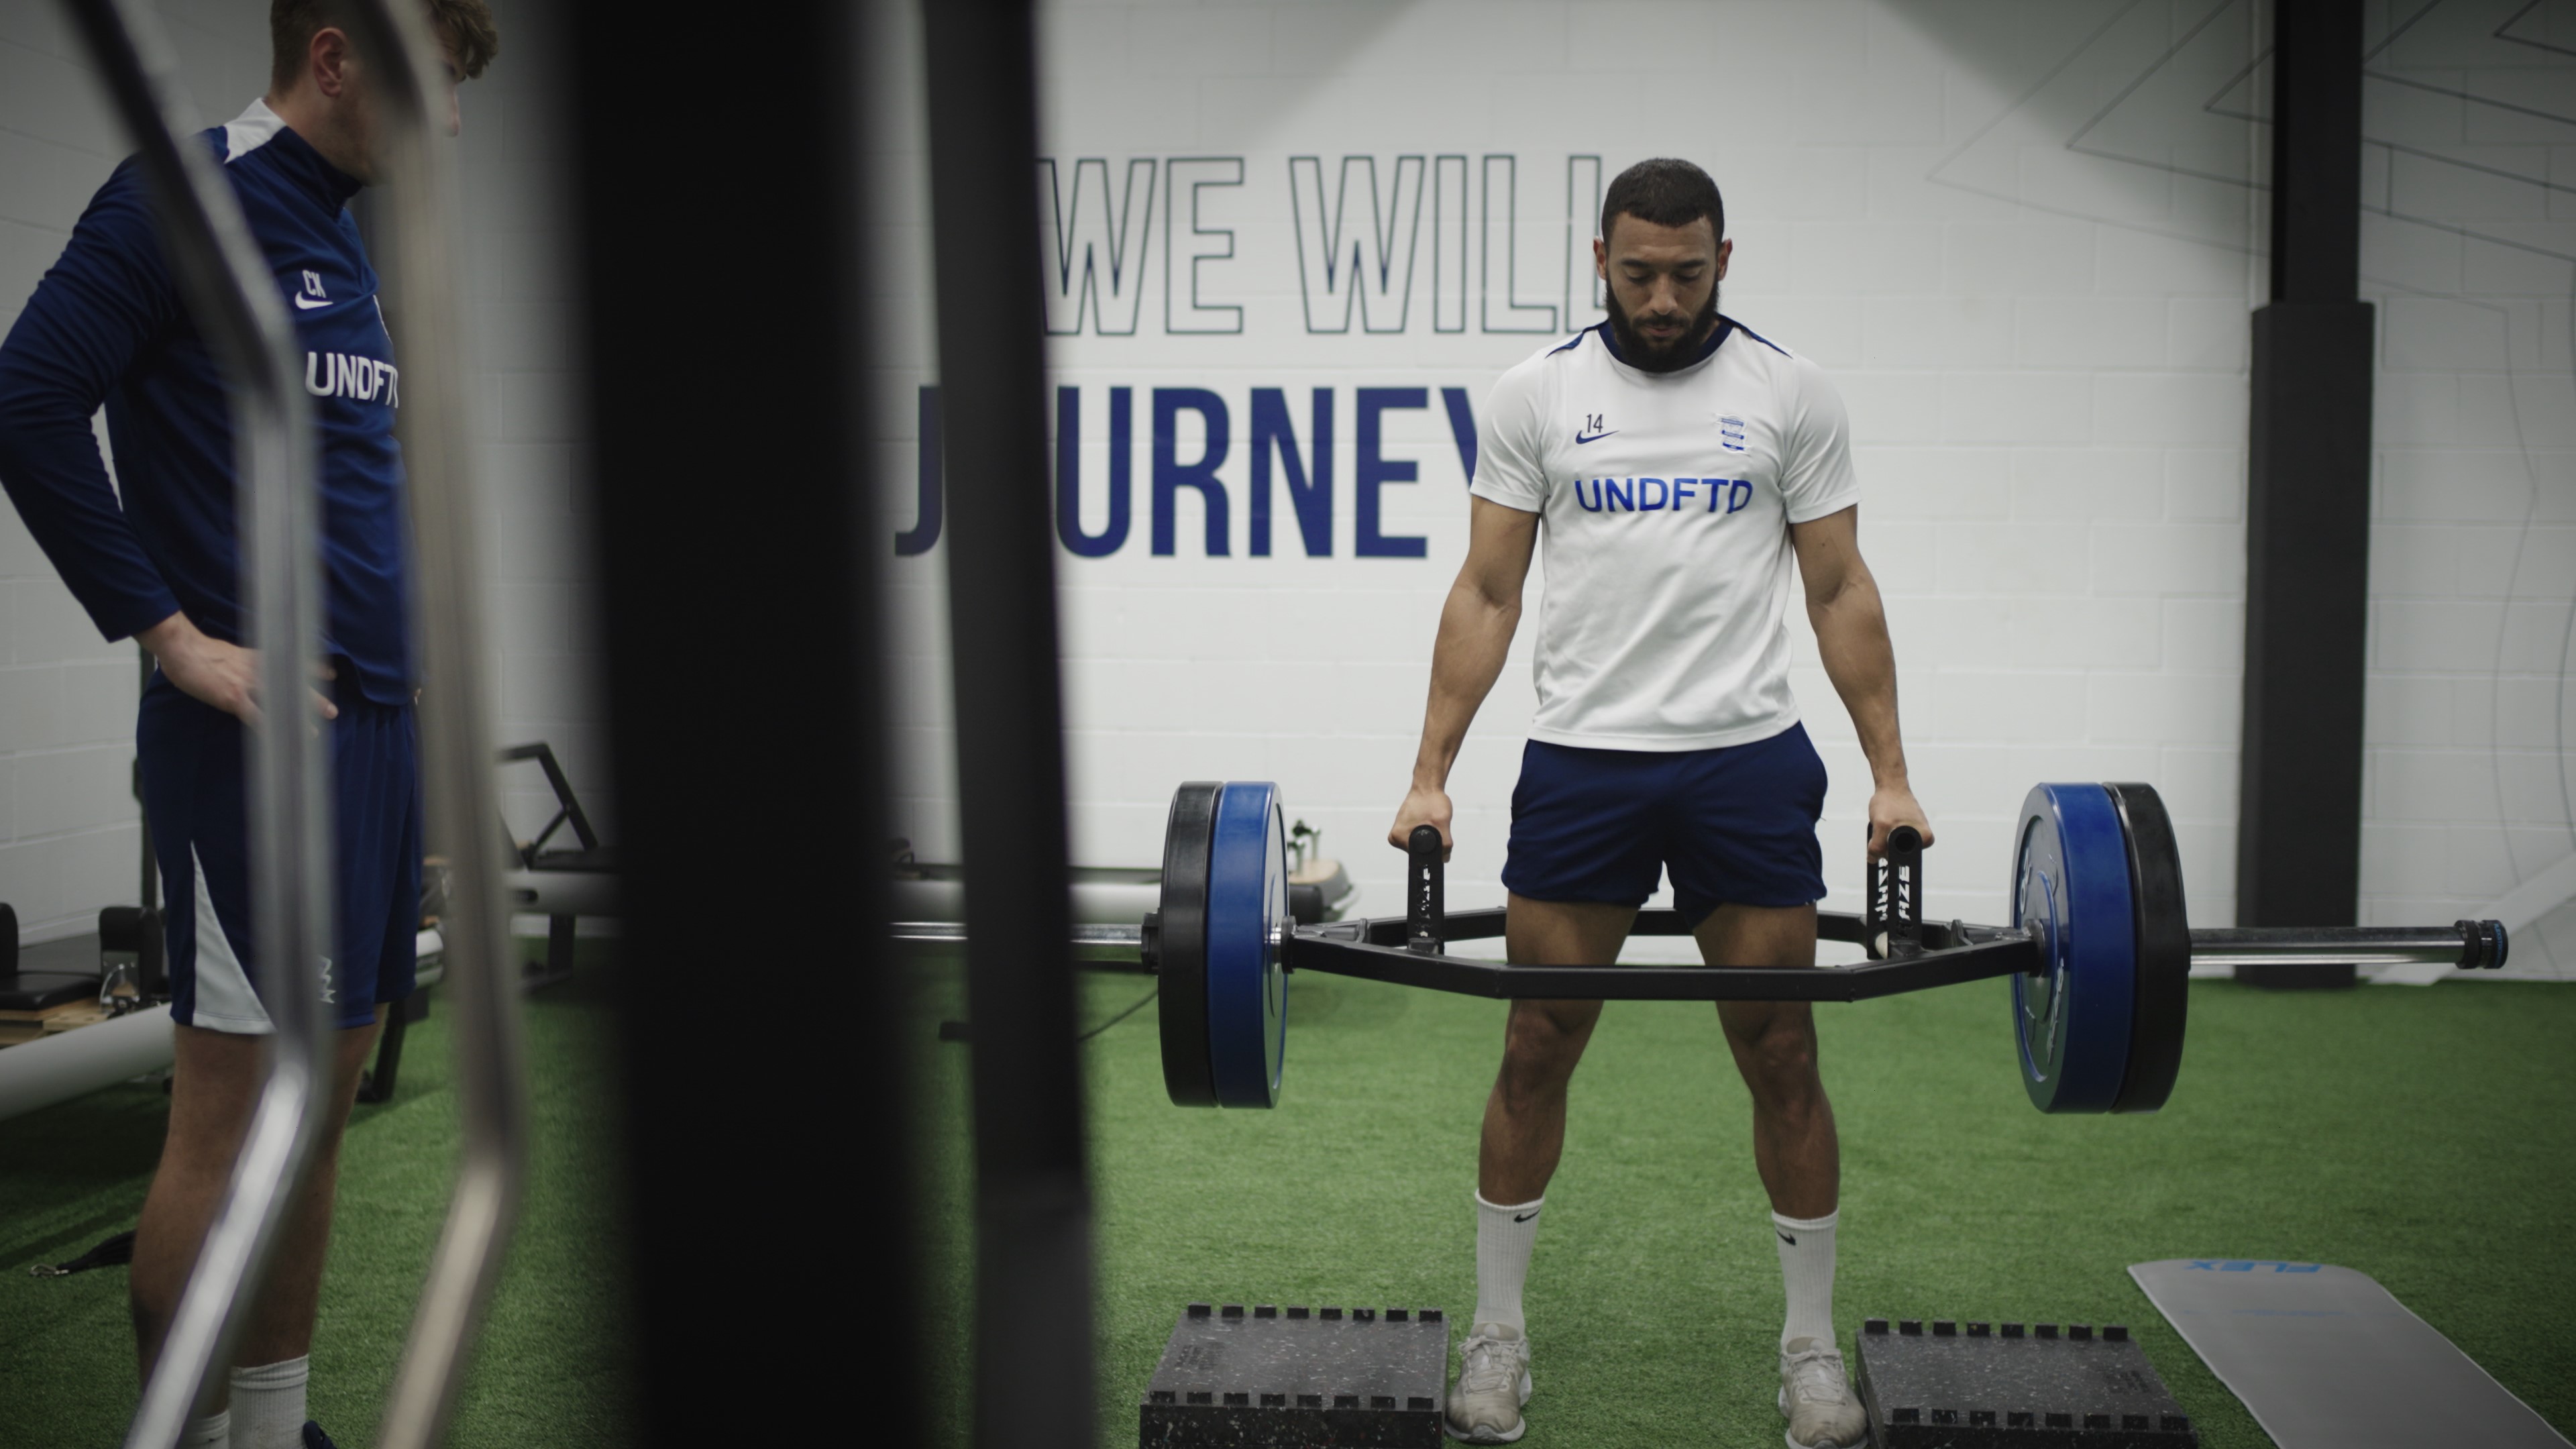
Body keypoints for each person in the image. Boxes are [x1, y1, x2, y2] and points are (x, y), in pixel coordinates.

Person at [0, 3, 496, 1445]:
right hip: (257, 755)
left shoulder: (343, 231)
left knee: (319, 1113)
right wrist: (169, 635)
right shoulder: (186, 199)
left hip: (374, 735)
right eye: (433, 84)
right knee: (229, 1132)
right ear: (334, 58)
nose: (449, 122)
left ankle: (272, 1432)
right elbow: (28, 398)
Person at [1387, 158, 1931, 1449]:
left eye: (1688, 274)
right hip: (1585, 764)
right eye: (1639, 274)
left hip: (1746, 763)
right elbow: (1488, 592)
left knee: (1782, 1049)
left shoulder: (1790, 393)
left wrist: (1891, 775)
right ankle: (1499, 1335)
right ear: (1601, 260)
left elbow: (1840, 589)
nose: (1665, 298)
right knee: (1537, 1041)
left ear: (1724, 260)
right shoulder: (1539, 394)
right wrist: (1430, 774)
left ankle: (1809, 1351)